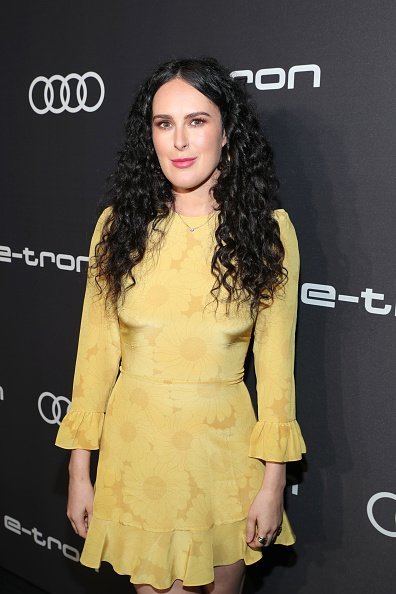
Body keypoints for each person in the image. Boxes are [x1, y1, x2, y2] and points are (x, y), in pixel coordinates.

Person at [54, 56, 306, 594]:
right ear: (150, 137)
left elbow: (277, 367)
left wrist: (273, 481)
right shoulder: (119, 228)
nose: (180, 141)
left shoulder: (267, 233)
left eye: (197, 120)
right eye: (164, 124)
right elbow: (93, 358)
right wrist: (80, 473)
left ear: (226, 132)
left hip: (224, 461)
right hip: (137, 457)